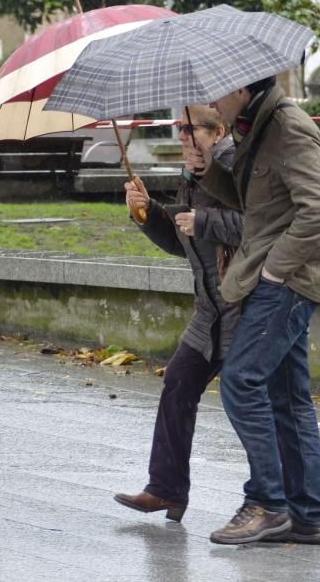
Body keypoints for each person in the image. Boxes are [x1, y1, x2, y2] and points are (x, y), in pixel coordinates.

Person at [189, 75, 320, 546]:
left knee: (240, 380)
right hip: (278, 276)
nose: (211, 103)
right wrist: (206, 170)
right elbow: (255, 203)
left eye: (216, 92)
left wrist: (275, 269)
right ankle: (308, 515)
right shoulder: (257, 125)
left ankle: (267, 503)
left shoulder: (288, 127)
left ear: (239, 88)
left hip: (288, 280)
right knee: (289, 398)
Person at [114, 105, 241, 522]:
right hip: (209, 311)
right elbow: (181, 240)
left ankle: (272, 501)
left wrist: (203, 220)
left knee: (252, 403)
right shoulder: (190, 174)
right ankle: (166, 490)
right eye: (179, 129)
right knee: (177, 384)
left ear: (219, 130)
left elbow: (257, 224)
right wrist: (147, 211)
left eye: (191, 129)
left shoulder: (235, 167)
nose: (183, 136)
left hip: (245, 307)